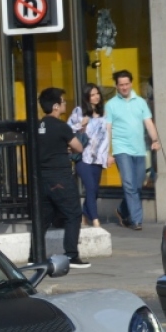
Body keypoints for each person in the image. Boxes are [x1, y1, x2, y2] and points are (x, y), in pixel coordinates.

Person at [37, 87, 88, 269]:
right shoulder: (61, 126)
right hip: (60, 176)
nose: (65, 104)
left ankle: (34, 255)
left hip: (42, 177)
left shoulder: (38, 126)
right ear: (56, 106)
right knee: (73, 214)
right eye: (63, 102)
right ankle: (72, 255)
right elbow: (79, 147)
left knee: (43, 218)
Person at [107, 70, 161, 230]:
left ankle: (122, 210)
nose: (124, 87)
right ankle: (137, 220)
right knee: (129, 184)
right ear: (116, 86)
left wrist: (155, 140)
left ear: (131, 83)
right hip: (121, 148)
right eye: (121, 85)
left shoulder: (141, 102)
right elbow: (108, 129)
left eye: (126, 84)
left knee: (137, 185)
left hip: (139, 149)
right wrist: (107, 152)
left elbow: (148, 123)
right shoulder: (110, 105)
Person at [69, 83, 111, 228]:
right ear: (87, 97)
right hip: (83, 157)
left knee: (94, 190)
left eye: (97, 93)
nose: (96, 97)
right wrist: (81, 124)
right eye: (92, 95)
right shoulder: (79, 111)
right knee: (91, 187)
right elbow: (68, 129)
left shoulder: (104, 113)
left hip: (98, 158)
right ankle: (95, 220)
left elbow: (107, 135)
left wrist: (108, 155)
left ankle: (84, 214)